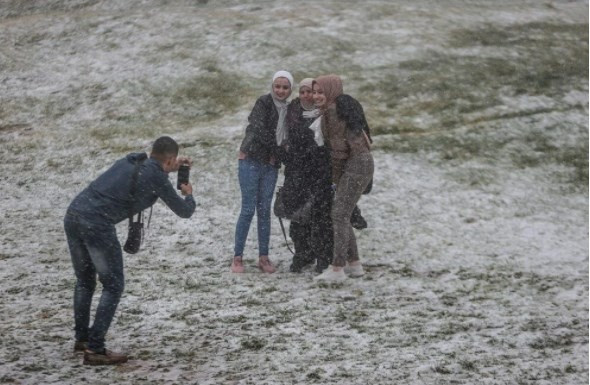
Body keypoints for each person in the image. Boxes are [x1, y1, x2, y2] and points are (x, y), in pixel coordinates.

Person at [64, 136, 196, 365]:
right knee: (113, 285)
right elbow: (184, 211)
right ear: (171, 159)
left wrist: (170, 166)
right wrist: (189, 194)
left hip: (74, 214)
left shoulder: (134, 161)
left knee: (85, 281)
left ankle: (82, 339)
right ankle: (95, 349)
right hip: (96, 224)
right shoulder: (156, 176)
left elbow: (152, 171)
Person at [311, 75, 374, 282]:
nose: (316, 96)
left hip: (356, 165)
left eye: (321, 92)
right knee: (342, 213)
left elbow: (338, 151)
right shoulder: (335, 108)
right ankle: (354, 264)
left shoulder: (332, 112)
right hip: (361, 164)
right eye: (315, 92)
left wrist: (336, 179)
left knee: (339, 214)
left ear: (331, 91)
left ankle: (337, 268)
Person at [231, 70, 294, 274]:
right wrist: (278, 151)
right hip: (251, 159)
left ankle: (264, 257)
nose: (281, 90)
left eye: (285, 87)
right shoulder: (263, 103)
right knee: (248, 209)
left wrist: (282, 155)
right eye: (277, 86)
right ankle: (238, 257)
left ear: (290, 89)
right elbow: (260, 130)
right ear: (272, 86)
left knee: (265, 210)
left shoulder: (290, 110)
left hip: (270, 165)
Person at [281, 78, 333, 273]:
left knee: (320, 216)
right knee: (297, 214)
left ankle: (323, 256)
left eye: (310, 91)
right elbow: (284, 138)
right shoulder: (292, 111)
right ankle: (302, 253)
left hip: (319, 170)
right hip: (296, 170)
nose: (306, 95)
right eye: (302, 92)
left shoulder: (324, 112)